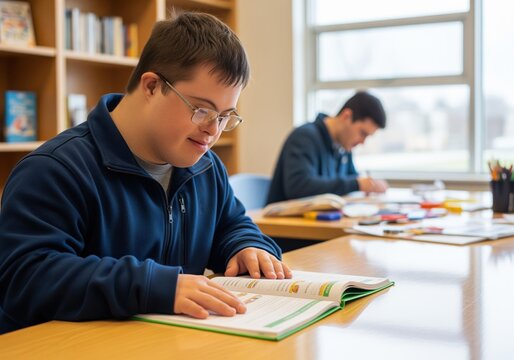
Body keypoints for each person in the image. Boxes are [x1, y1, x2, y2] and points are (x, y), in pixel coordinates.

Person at [0, 13, 291, 334]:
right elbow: (24, 278)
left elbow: (232, 225)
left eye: (225, 116)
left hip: (167, 343)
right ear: (152, 86)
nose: (213, 130)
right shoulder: (56, 169)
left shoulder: (205, 167)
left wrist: (248, 247)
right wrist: (155, 286)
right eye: (202, 110)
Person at [267, 91, 389, 204]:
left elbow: (352, 178)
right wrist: (357, 184)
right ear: (346, 116)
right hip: (284, 224)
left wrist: (368, 184)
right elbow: (298, 187)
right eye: (362, 133)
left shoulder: (344, 147)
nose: (362, 142)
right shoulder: (304, 137)